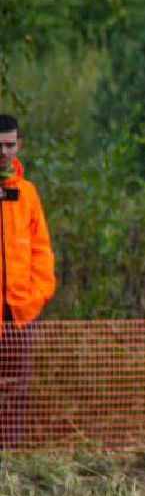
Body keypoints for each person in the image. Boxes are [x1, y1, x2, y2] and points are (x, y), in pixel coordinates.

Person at [0, 115, 57, 449]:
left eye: (9, 145)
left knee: (18, 391)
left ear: (19, 146)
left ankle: (14, 457)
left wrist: (35, 298)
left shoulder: (28, 194)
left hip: (22, 314)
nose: (4, 152)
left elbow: (42, 252)